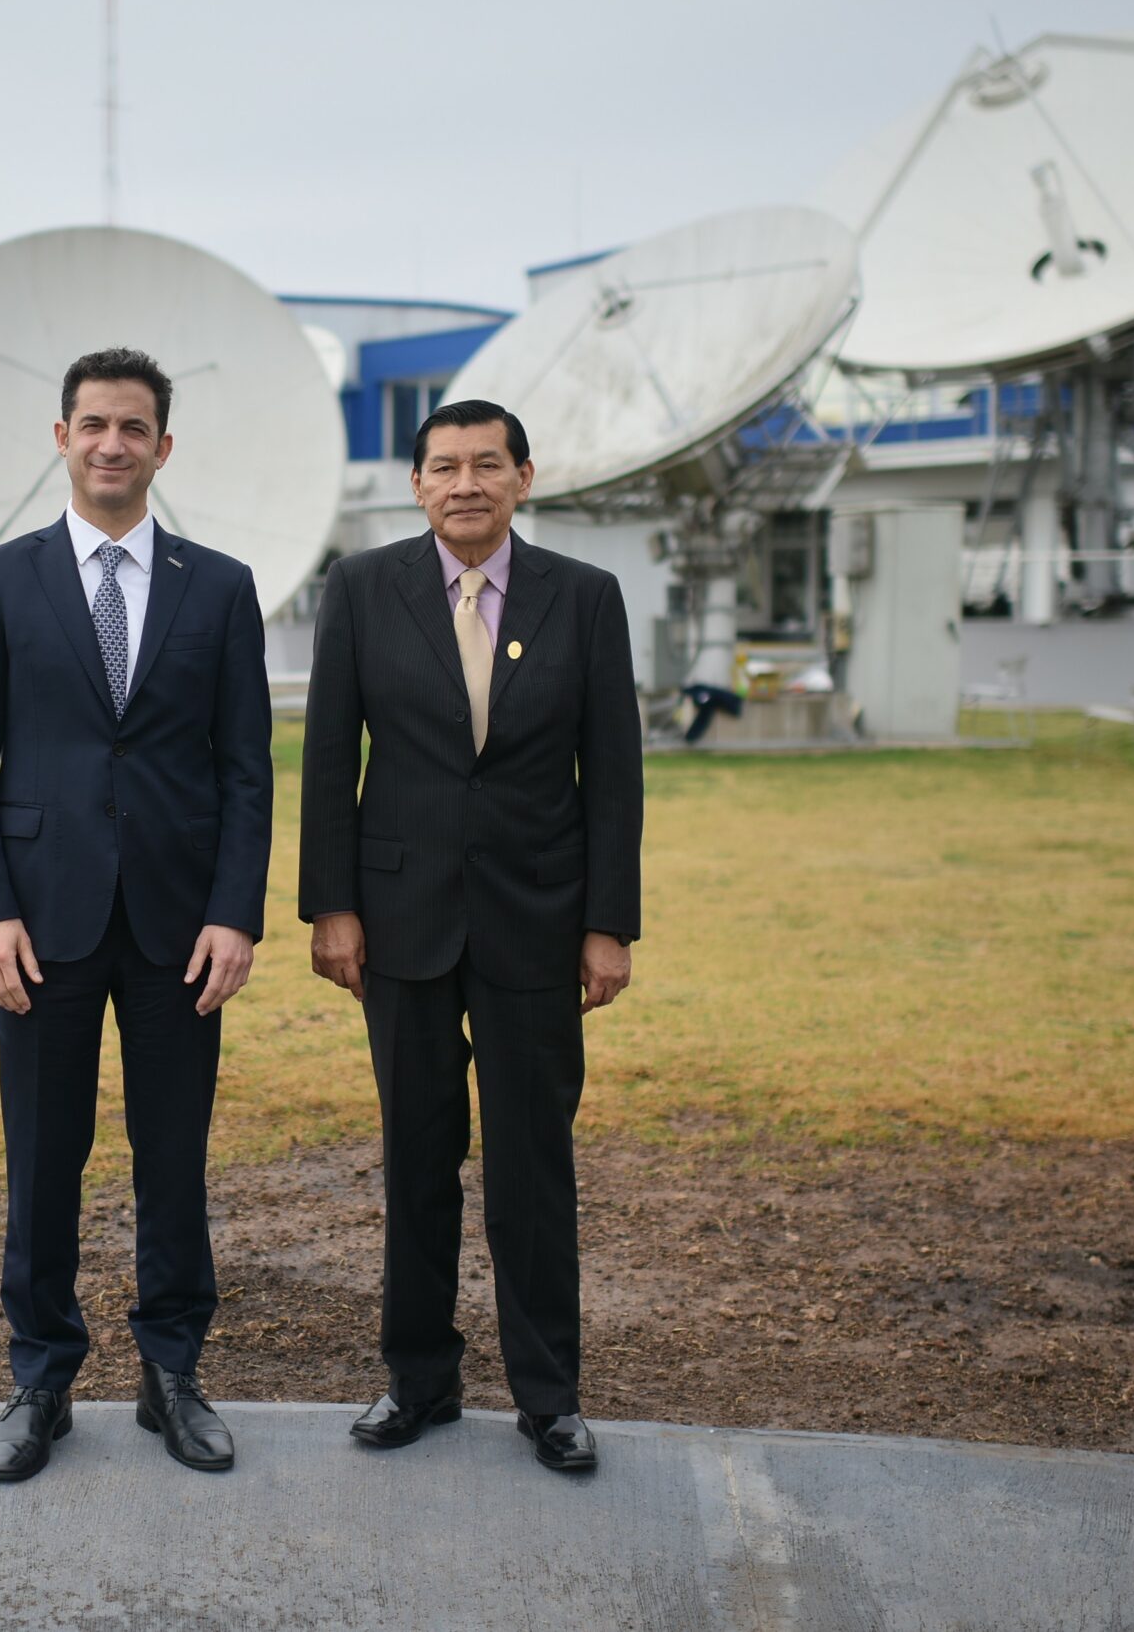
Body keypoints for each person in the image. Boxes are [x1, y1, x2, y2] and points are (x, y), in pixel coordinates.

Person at [0, 346, 273, 1483]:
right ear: (62, 437)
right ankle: (40, 1378)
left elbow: (245, 769)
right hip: (39, 925)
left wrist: (237, 914)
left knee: (172, 1158)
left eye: (134, 427)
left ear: (162, 447)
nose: (112, 444)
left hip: (182, 929)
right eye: (92, 425)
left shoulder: (218, 587)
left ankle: (171, 1374)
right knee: (43, 1160)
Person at [298, 397, 643, 1472]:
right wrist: (332, 906)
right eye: (442, 466)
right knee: (417, 1160)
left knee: (532, 1168)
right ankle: (418, 1379)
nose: (464, 484)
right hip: (398, 924)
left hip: (538, 925)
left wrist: (606, 926)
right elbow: (325, 760)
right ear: (415, 485)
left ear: (523, 479)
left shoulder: (584, 599)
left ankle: (548, 1396)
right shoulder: (361, 590)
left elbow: (614, 776)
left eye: (486, 465)